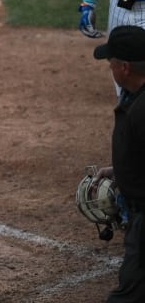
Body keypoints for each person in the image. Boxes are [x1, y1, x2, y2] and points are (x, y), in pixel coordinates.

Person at [91, 25, 145, 302]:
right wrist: (121, 171)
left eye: (110, 62)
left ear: (125, 67)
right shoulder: (134, 95)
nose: (108, 66)